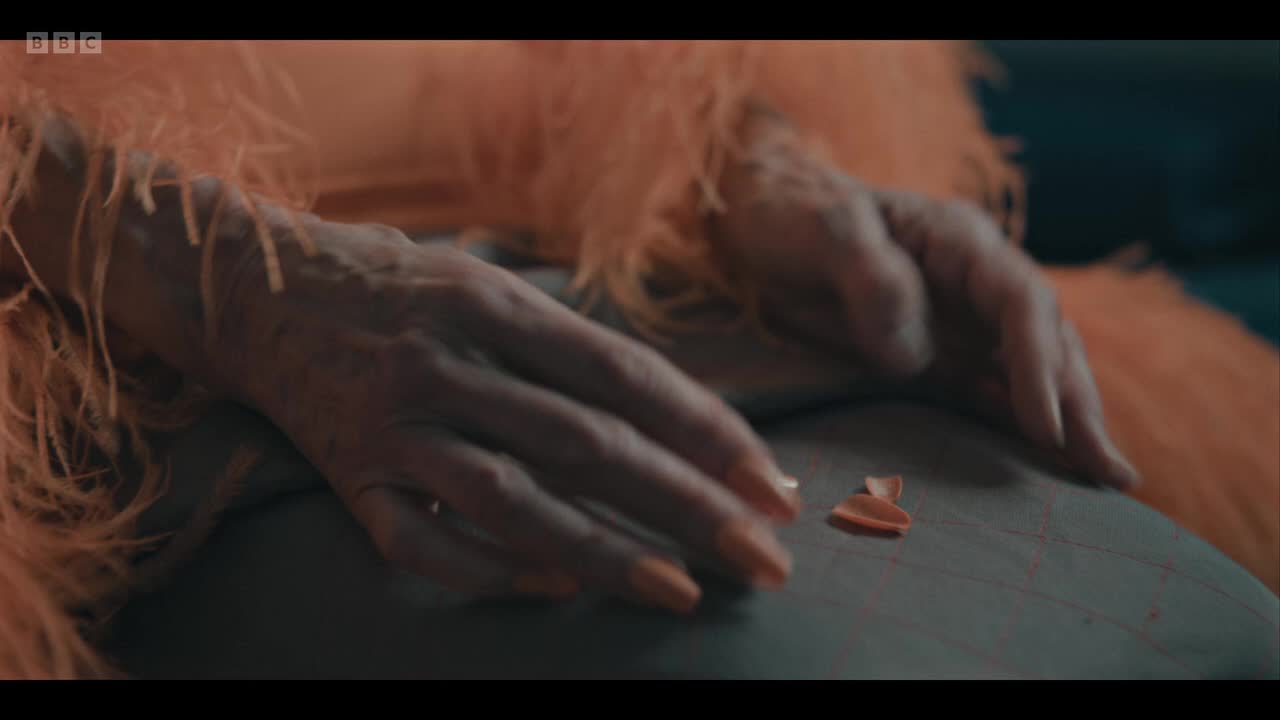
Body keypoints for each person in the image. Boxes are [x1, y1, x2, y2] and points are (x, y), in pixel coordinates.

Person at [1, 40, 1274, 679]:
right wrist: (220, 277)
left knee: (1225, 626)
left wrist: (742, 165)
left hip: (623, 253)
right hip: (110, 344)